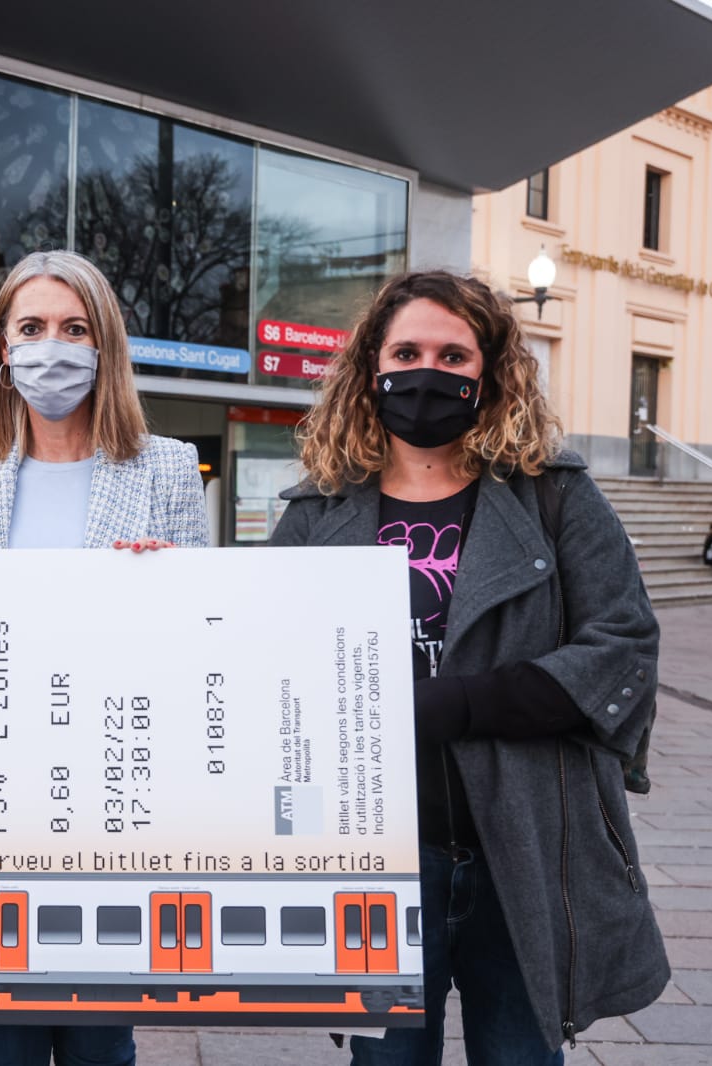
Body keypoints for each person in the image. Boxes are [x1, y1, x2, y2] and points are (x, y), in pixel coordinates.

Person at [269, 271, 666, 1063]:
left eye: (454, 354)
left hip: (521, 849)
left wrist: (455, 705)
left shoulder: (552, 496)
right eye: (407, 350)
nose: (429, 372)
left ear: (491, 372)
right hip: (377, 864)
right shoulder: (317, 510)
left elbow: (622, 642)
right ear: (371, 368)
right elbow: (259, 654)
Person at [0, 250, 208, 1066]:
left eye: (74, 328)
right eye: (32, 328)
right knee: (0, 1043)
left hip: (112, 801)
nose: (52, 347)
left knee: (100, 1042)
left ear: (104, 346)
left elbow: (205, 646)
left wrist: (172, 590)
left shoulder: (164, 468)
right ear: (3, 351)